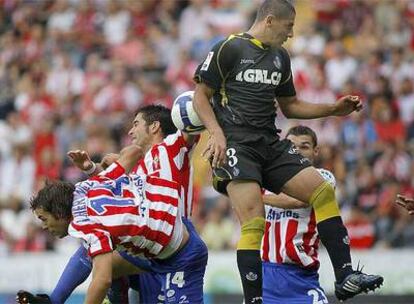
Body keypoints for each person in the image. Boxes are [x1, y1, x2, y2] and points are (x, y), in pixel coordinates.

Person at [192, 0, 382, 302]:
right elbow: (200, 96)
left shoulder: (280, 57)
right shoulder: (229, 48)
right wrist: (215, 134)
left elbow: (291, 106)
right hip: (237, 145)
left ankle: (345, 275)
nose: (291, 33)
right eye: (288, 26)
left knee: (321, 191)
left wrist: (333, 108)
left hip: (270, 142)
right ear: (270, 21)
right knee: (254, 223)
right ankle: (254, 300)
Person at [17, 105, 203, 304]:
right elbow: (125, 164)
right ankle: (55, 300)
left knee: (98, 257)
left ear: (155, 126)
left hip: (175, 246)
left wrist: (213, 127)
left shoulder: (169, 147)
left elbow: (190, 123)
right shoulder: (88, 186)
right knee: (100, 254)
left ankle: (54, 301)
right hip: (149, 246)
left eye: (136, 124)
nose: (130, 130)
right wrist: (93, 168)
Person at [262, 126, 383, 303]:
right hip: (266, 278)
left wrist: (258, 198)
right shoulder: (268, 179)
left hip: (301, 277)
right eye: (291, 146)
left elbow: (300, 199)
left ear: (315, 151)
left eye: (304, 147)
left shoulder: (323, 177)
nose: (296, 151)